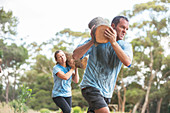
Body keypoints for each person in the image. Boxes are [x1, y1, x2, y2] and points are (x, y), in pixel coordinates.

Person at [72, 16, 133, 113]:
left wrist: (113, 42)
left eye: (126, 29)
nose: (124, 31)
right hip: (90, 86)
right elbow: (75, 56)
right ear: (113, 26)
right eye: (122, 27)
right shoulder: (96, 42)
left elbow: (128, 62)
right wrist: (92, 40)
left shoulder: (125, 46)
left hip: (107, 93)